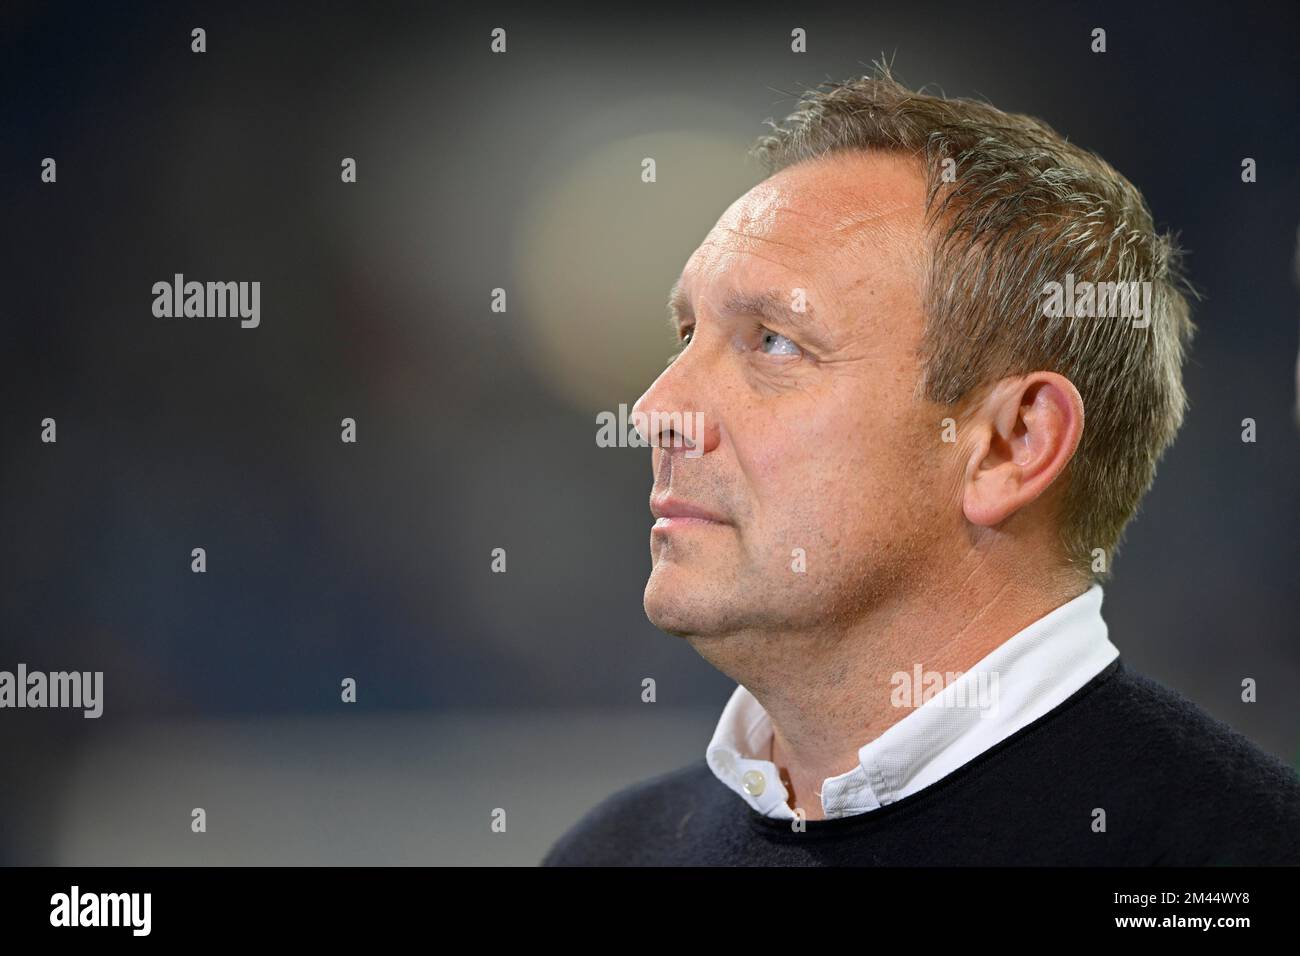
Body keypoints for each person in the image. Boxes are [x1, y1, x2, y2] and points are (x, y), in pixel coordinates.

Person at [542, 67, 1300, 866]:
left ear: (1012, 447)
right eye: (686, 332)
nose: (657, 410)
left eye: (773, 341)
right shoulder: (612, 851)